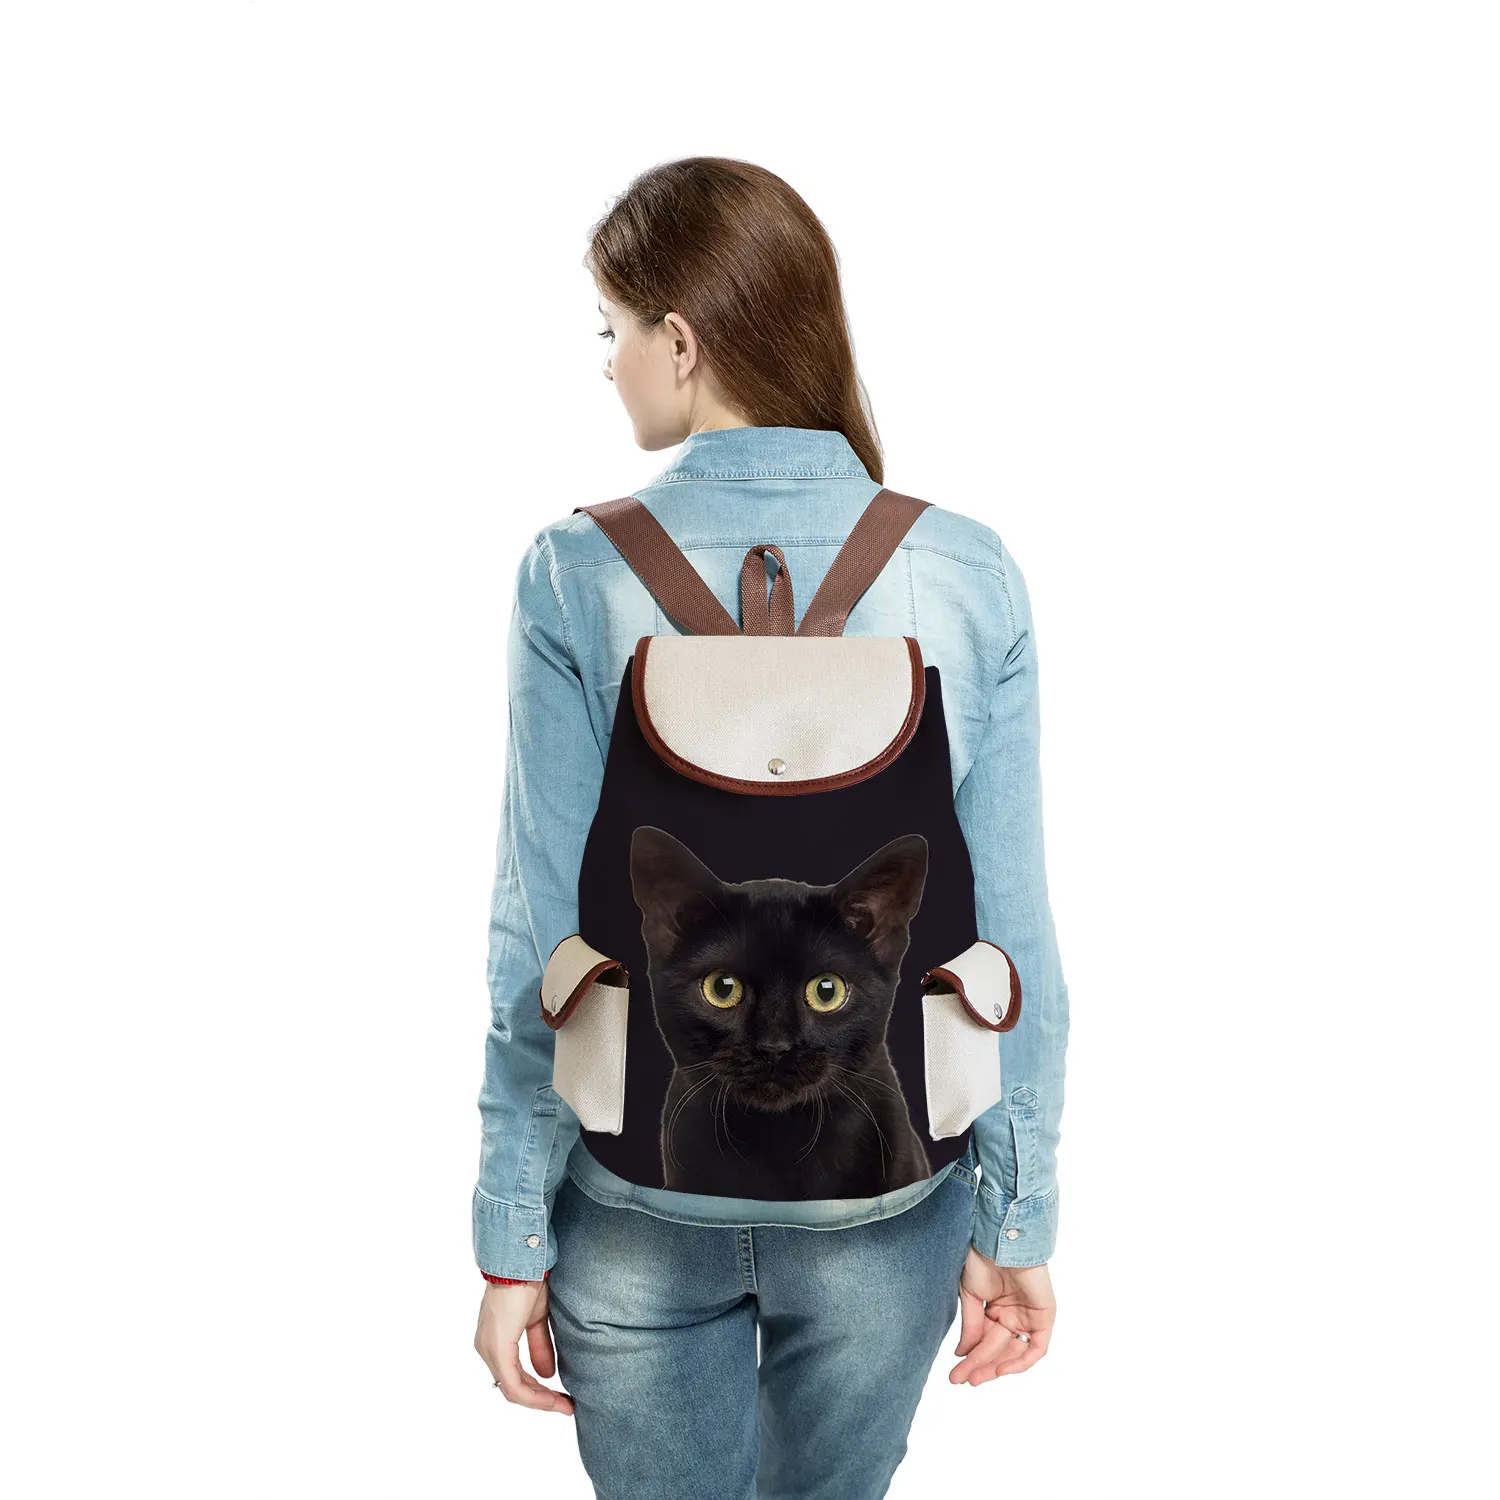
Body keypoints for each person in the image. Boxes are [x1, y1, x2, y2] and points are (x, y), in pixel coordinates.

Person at [472, 157, 1069, 1500]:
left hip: (636, 1209)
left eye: (614, 332)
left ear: (681, 341)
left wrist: (512, 1240)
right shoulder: (965, 569)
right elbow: (1014, 941)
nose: (610, 366)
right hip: (888, 1212)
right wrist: (1018, 1215)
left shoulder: (574, 571)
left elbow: (535, 940)